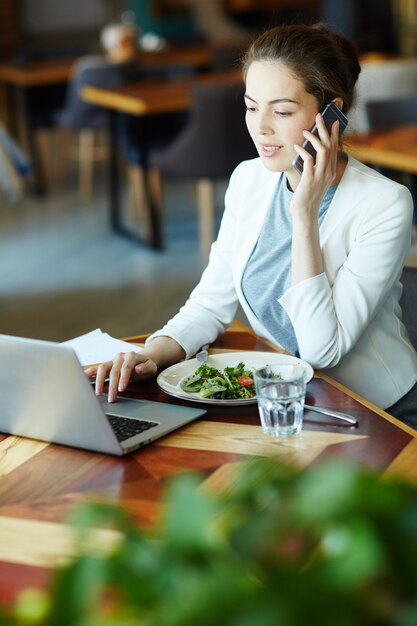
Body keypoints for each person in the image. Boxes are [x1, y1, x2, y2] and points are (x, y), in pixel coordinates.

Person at [90, 23, 417, 429]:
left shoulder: (384, 204)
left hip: (375, 411)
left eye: (281, 111)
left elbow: (320, 350)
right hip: (290, 402)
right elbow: (211, 303)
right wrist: (155, 352)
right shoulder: (249, 179)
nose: (260, 127)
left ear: (331, 115)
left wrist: (303, 214)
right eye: (250, 106)